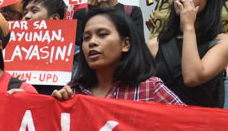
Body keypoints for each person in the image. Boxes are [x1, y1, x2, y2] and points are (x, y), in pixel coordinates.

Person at [53, 8, 182, 104]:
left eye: (102, 34)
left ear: (125, 44)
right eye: (86, 38)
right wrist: (57, 107)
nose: (91, 42)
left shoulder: (150, 89)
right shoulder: (72, 91)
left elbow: (190, 124)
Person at [148, 0, 228, 108]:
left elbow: (192, 77)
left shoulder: (223, 41)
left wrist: (188, 25)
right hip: (162, 124)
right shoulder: (155, 44)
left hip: (200, 125)